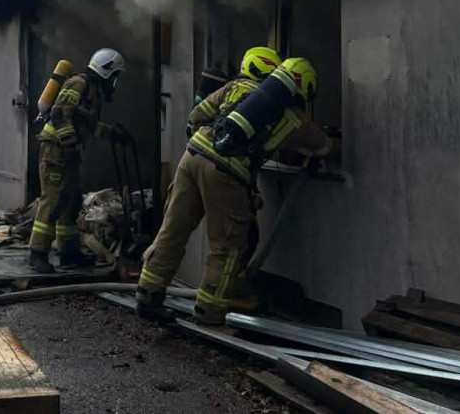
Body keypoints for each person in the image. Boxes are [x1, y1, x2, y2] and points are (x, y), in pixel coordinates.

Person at [135, 54, 334, 325]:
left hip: (192, 156)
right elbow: (323, 146)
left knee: (173, 230)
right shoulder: (293, 118)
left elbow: (196, 115)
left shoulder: (235, 87)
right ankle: (208, 313)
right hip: (225, 172)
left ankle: (147, 294)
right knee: (227, 247)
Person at [29, 48, 128, 274]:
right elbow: (59, 114)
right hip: (56, 150)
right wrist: (68, 142)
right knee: (53, 201)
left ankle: (68, 252)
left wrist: (112, 133)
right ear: (105, 71)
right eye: (114, 75)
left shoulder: (93, 91)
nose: (114, 81)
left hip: (68, 151)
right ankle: (38, 253)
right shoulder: (78, 83)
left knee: (71, 201)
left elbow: (88, 126)